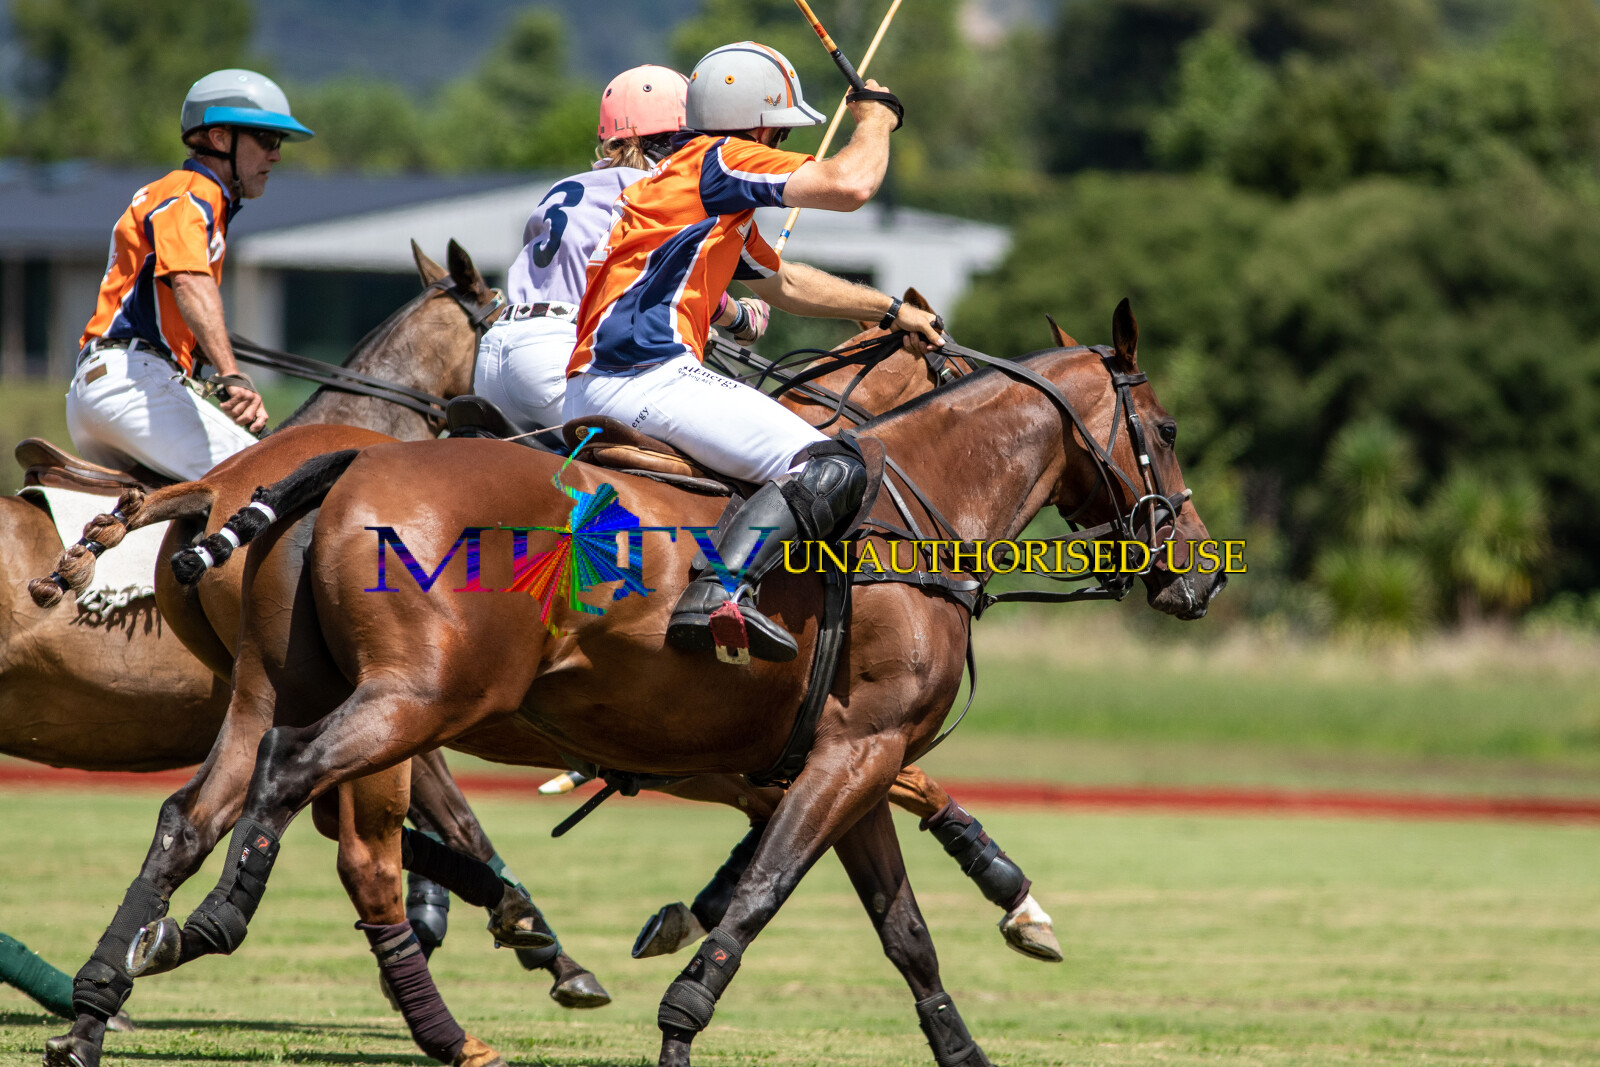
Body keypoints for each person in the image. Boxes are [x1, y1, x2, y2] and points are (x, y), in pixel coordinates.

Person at [564, 41, 943, 662]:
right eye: (780, 130)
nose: (780, 142)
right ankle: (719, 591)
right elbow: (850, 183)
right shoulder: (718, 160)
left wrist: (889, 311)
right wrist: (876, 119)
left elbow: (785, 284)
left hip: (598, 381)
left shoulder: (695, 192)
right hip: (648, 375)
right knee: (832, 465)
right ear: (756, 124)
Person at [473, 65, 769, 434]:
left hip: (495, 355)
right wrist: (740, 317)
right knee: (709, 442)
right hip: (559, 354)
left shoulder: (567, 186)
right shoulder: (652, 193)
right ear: (673, 141)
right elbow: (677, 280)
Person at [66, 69, 314, 481]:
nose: (276, 156)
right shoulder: (193, 192)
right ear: (220, 138)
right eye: (267, 140)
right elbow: (188, 281)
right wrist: (231, 374)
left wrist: (205, 355)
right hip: (133, 384)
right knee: (275, 480)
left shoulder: (197, 199)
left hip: (108, 386)